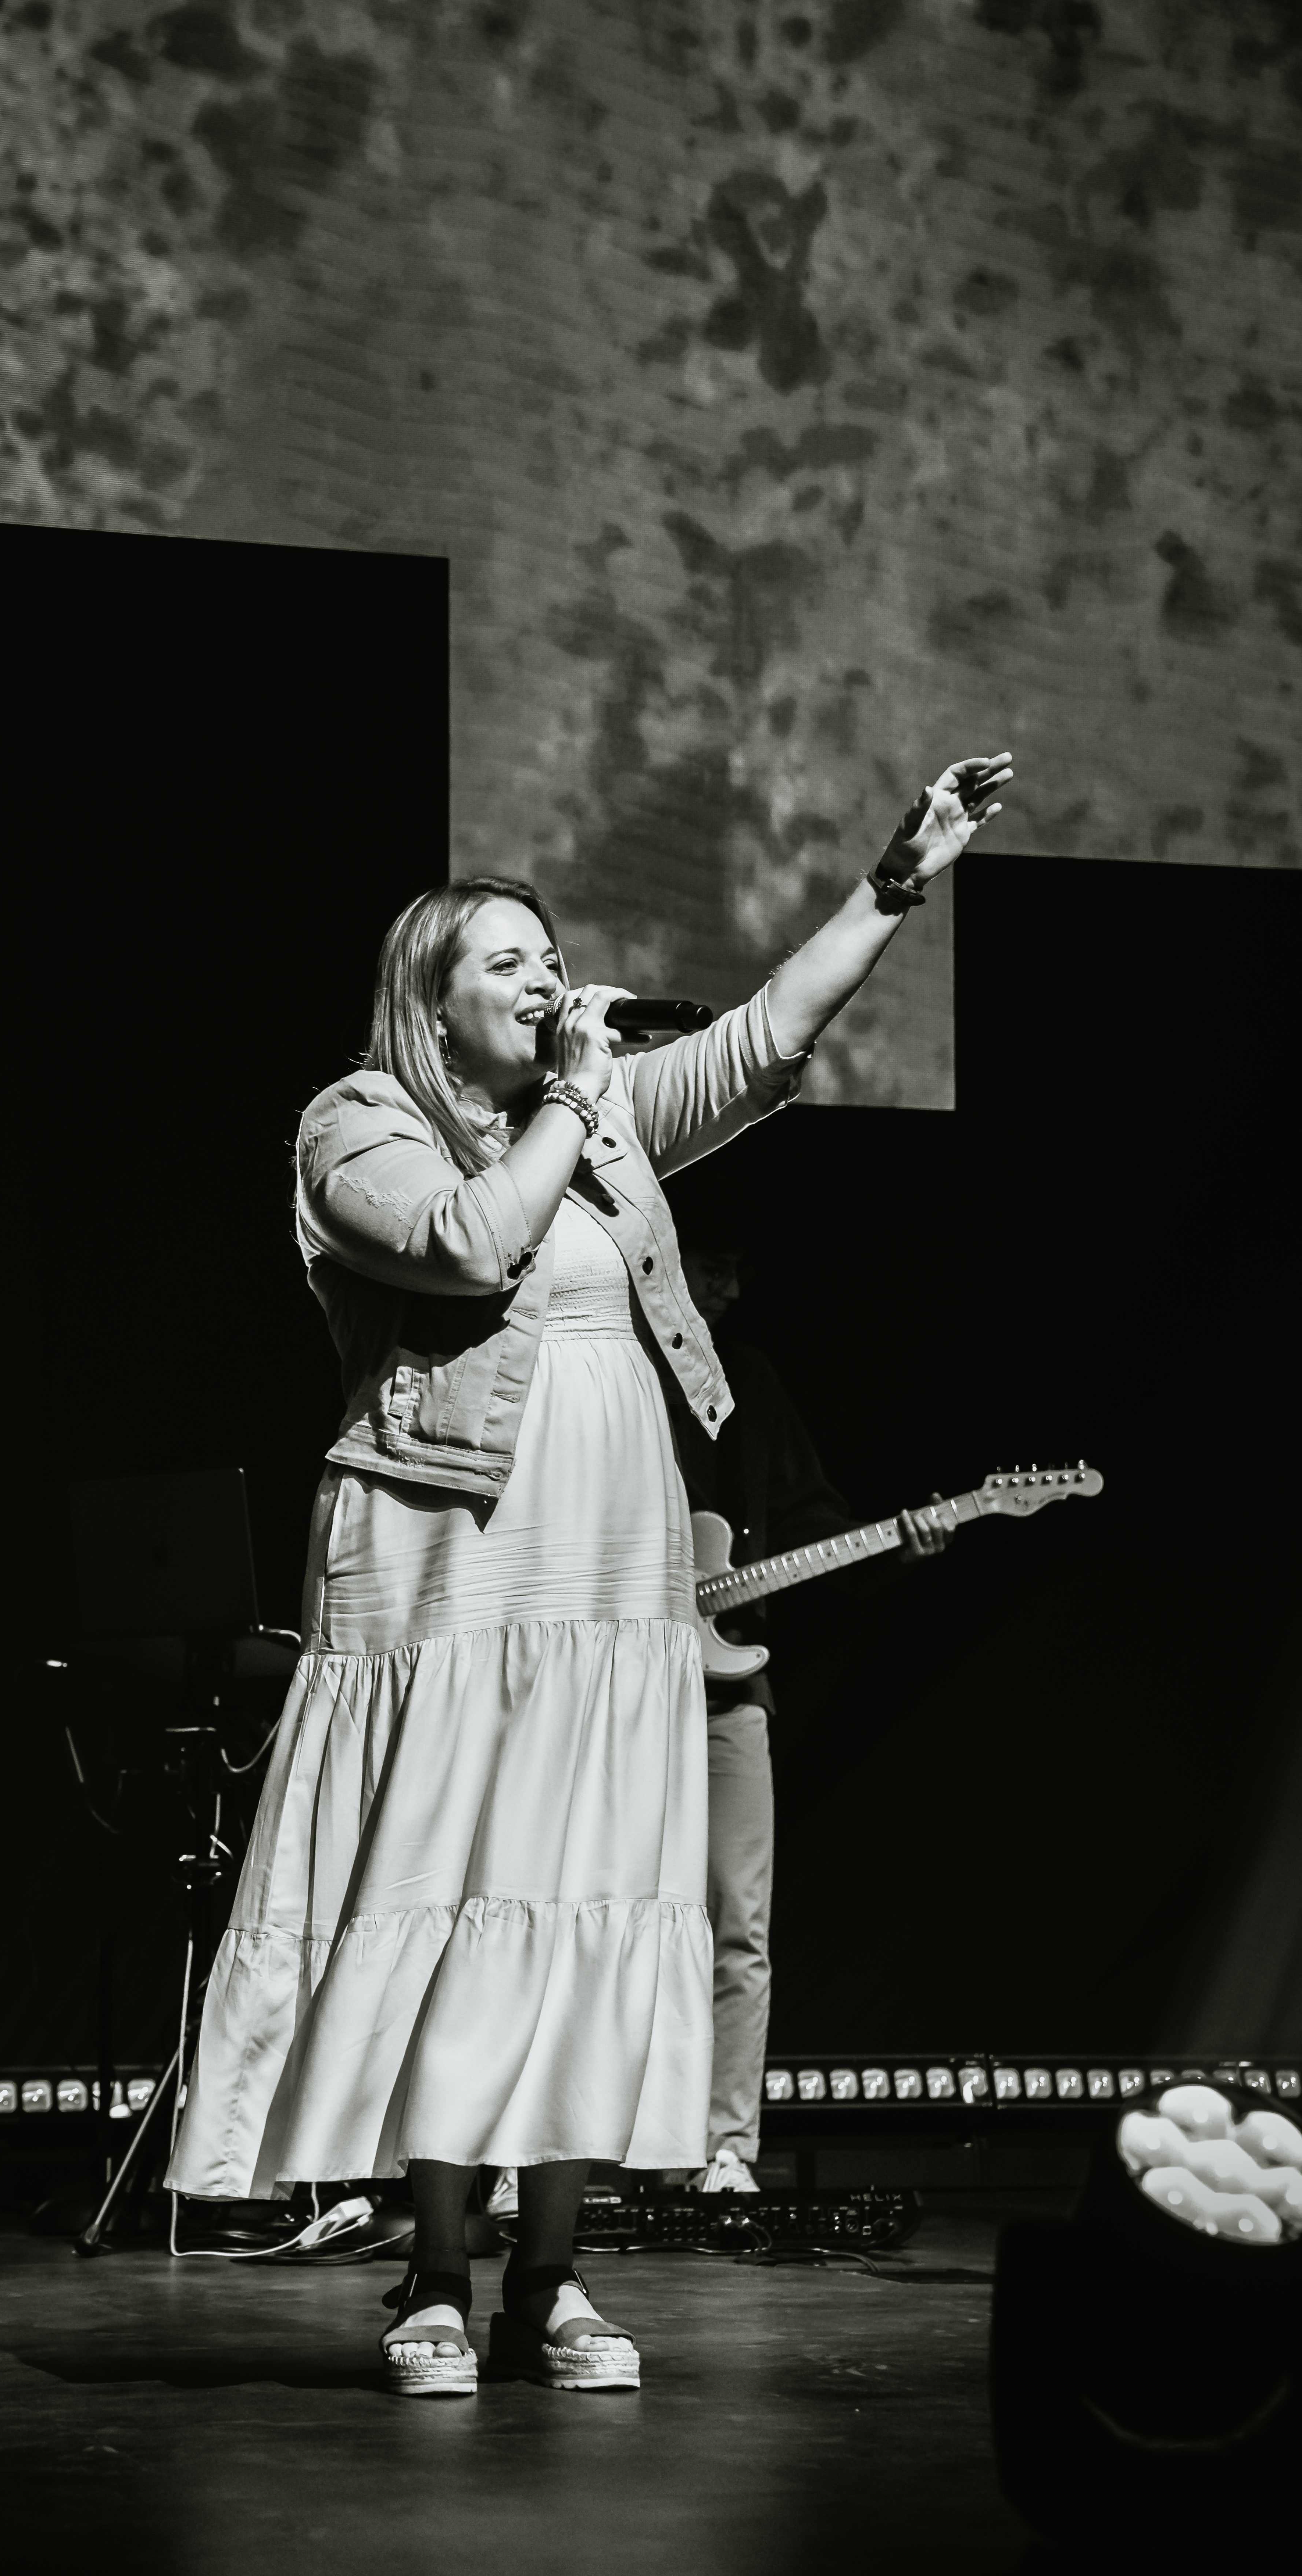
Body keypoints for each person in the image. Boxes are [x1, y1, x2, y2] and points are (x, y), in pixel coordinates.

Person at [165, 754, 1013, 2396]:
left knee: (587, 1890)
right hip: (450, 1551)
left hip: (612, 1549)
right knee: (457, 1882)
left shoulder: (603, 1116)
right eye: (510, 963)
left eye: (554, 963)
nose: (551, 986)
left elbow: (769, 1043)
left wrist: (894, 881)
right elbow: (469, 1247)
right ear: (430, 995)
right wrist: (568, 1094)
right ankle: (432, 2269)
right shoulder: (358, 1123)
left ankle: (549, 2278)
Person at [666, 1244, 952, 2196]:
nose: (734, 1286)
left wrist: (900, 1547)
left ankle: (724, 2151)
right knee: (592, 1919)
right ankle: (552, 2154)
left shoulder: (748, 1380)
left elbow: (809, 1527)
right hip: (608, 1688)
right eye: (715, 1263)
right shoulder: (605, 1362)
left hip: (727, 1689)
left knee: (739, 1925)